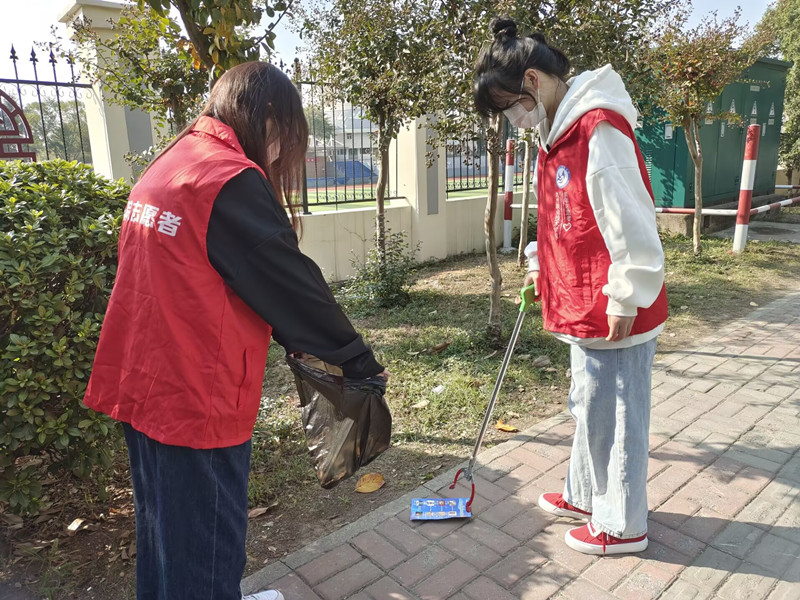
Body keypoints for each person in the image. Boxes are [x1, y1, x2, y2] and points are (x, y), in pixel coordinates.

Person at [83, 62, 388, 599]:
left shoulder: (171, 162)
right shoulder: (227, 179)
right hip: (195, 398)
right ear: (268, 118)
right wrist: (357, 361)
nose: (280, 155)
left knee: (163, 539)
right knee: (205, 556)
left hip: (144, 386)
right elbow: (291, 286)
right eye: (286, 138)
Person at [474, 18, 668, 556]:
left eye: (511, 106)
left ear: (533, 82)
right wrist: (540, 263)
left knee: (620, 408)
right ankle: (586, 493)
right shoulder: (554, 134)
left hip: (613, 302)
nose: (513, 120)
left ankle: (623, 522)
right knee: (589, 402)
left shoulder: (597, 128)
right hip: (581, 297)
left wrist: (628, 291)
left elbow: (630, 218)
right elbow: (562, 216)